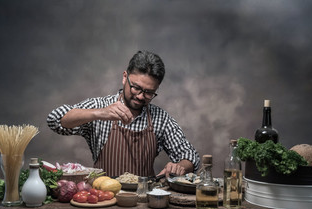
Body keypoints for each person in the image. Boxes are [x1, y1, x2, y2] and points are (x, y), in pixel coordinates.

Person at [47, 50, 200, 177]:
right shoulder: (100, 106)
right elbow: (55, 119)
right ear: (125, 77)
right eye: (136, 88)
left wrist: (180, 167)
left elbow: (191, 156)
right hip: (103, 198)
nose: (140, 96)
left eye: (149, 92)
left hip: (143, 202)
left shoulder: (160, 118)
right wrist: (99, 113)